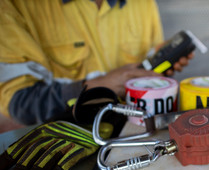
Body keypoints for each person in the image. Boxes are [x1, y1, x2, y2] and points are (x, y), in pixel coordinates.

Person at [0, 0, 193, 126]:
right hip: (68, 133)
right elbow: (21, 104)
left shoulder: (142, 3)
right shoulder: (15, 5)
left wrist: (160, 72)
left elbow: (149, 64)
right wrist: (100, 87)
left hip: (136, 129)